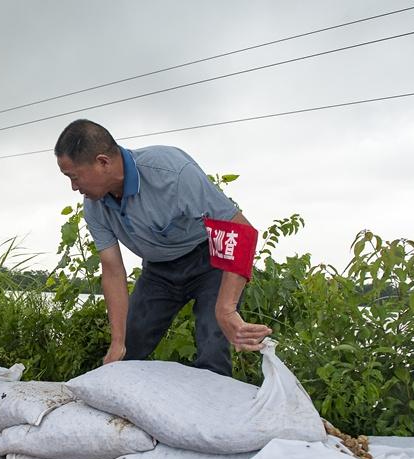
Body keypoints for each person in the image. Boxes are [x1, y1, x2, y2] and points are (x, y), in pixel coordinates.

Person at [54, 119, 271, 377]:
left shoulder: (172, 172)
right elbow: (112, 270)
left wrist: (226, 308)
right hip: (159, 272)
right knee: (126, 353)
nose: (74, 187)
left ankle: (213, 412)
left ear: (103, 162)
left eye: (74, 177)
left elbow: (241, 230)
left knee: (213, 350)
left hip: (209, 263)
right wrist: (117, 342)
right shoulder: (94, 206)